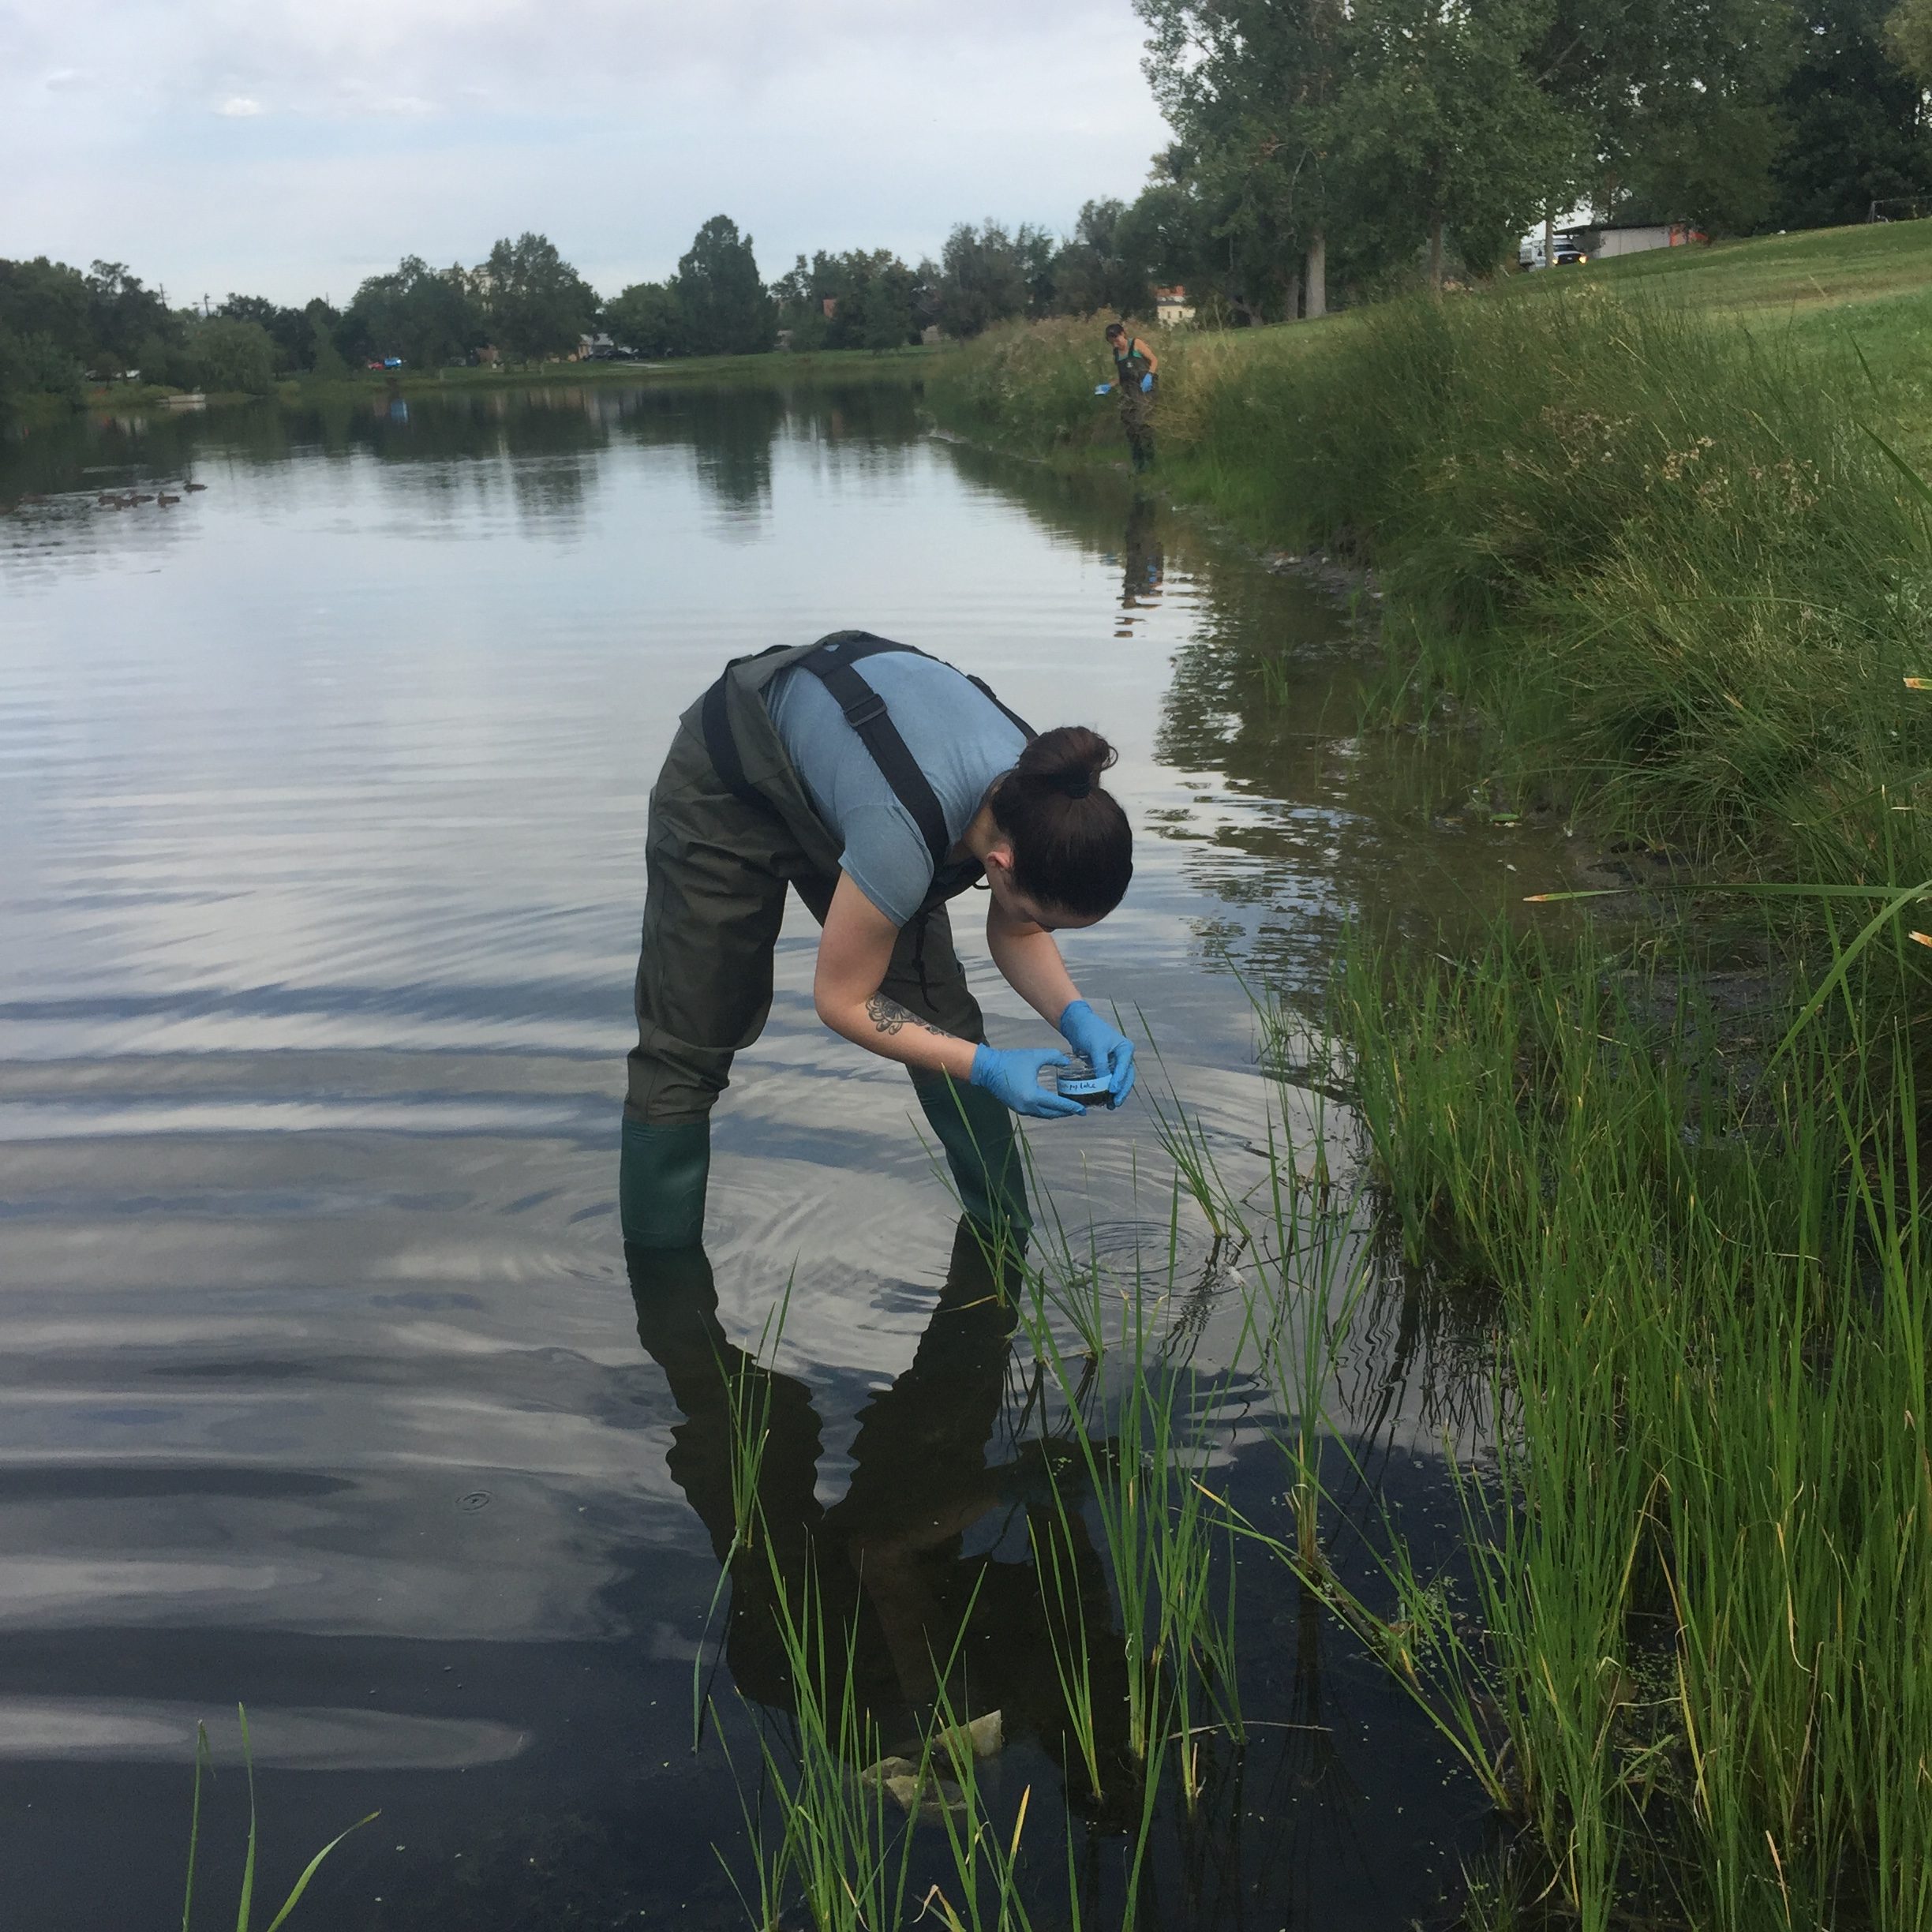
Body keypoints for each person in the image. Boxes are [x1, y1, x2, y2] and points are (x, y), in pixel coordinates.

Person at [620, 631, 1138, 1249]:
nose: (1043, 932)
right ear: (1000, 864)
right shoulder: (904, 835)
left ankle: (1005, 1247)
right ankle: (663, 1285)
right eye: (1047, 919)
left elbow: (1018, 921)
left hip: (859, 785)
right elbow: (841, 1000)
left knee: (939, 1018)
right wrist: (991, 1068)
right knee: (690, 1043)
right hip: (735, 772)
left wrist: (1076, 1016)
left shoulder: (1044, 796)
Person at [1095, 321, 1159, 471]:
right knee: (1130, 427)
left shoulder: (1136, 344)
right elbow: (1122, 376)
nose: (1116, 345)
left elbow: (1154, 360)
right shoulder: (1117, 353)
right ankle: (1139, 464)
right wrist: (1108, 386)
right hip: (1128, 392)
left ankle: (1152, 461)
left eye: (1117, 340)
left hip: (1145, 389)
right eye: (1112, 343)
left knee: (1143, 424)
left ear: (1123, 334)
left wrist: (1149, 376)